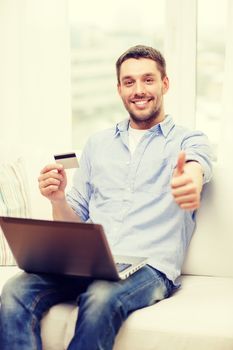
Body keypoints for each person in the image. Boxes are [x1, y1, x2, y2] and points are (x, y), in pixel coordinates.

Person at [0, 45, 212, 350]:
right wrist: (58, 199)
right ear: (119, 89)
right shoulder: (97, 145)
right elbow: (75, 217)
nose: (139, 90)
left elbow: (196, 167)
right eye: (129, 82)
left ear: (165, 84)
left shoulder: (189, 140)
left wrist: (189, 182)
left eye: (148, 80)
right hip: (87, 262)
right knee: (16, 288)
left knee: (100, 296)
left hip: (149, 268)